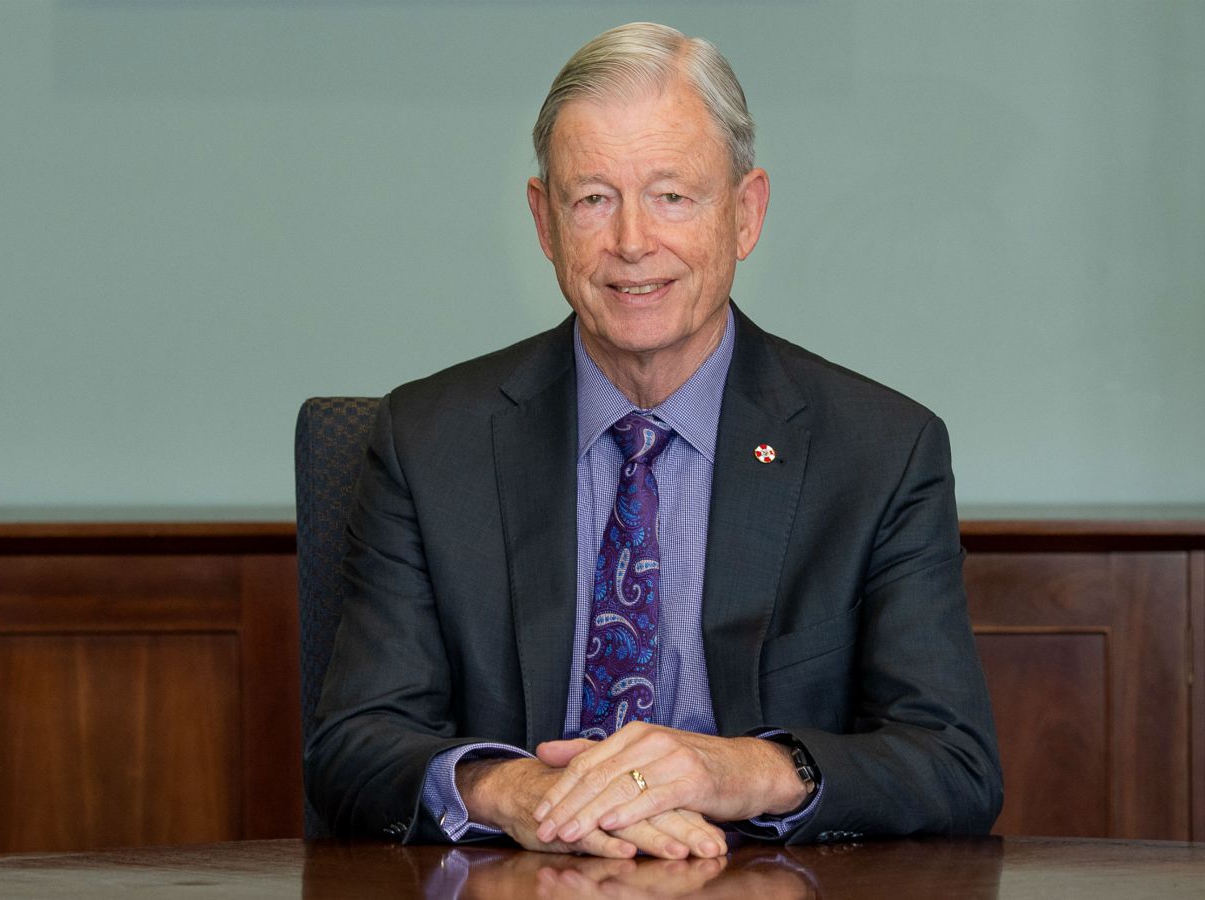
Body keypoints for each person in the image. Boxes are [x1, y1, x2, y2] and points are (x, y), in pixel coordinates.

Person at [305, 22, 1002, 859]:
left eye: (672, 195)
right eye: (593, 198)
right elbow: (352, 748)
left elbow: (955, 765)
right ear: (545, 222)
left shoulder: (882, 451)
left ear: (745, 214)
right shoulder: (427, 443)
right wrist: (517, 790)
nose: (632, 242)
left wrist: (737, 770)